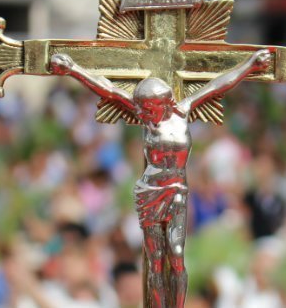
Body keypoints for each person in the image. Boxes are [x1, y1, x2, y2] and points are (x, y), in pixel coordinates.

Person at [49, 49, 272, 308]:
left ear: (163, 103)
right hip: (150, 190)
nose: (144, 115)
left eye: (150, 108)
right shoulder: (145, 118)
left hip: (176, 189)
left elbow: (218, 84)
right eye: (142, 109)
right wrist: (74, 69)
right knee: (154, 259)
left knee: (176, 255)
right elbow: (108, 90)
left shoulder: (182, 111)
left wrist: (251, 66)